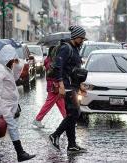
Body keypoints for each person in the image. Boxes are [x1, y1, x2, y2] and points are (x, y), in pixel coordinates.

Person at [0, 45, 35, 162]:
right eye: (12, 59)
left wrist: (18, 63)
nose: (12, 61)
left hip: (6, 105)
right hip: (2, 106)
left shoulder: (3, 68)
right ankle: (20, 153)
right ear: (6, 57)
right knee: (12, 127)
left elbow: (15, 77)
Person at [49, 25, 88, 153]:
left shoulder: (75, 48)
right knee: (74, 114)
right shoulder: (66, 48)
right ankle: (55, 135)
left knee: (71, 114)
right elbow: (58, 67)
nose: (82, 41)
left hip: (73, 86)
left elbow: (73, 70)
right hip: (67, 86)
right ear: (75, 36)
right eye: (81, 38)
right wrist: (60, 85)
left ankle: (71, 145)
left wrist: (80, 85)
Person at [32, 46, 66, 128]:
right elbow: (55, 73)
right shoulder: (52, 62)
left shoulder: (49, 60)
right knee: (48, 104)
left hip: (53, 85)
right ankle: (37, 119)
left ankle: (67, 119)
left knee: (61, 104)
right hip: (54, 86)